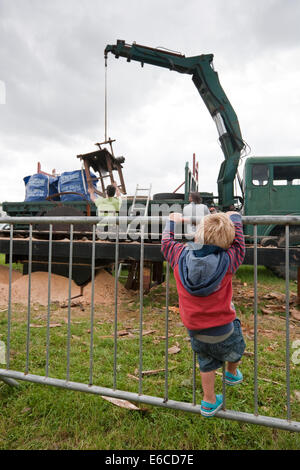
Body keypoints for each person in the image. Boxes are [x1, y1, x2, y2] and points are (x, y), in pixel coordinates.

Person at [161, 210, 246, 417]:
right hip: (224, 329)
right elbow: (240, 246)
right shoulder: (228, 260)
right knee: (238, 347)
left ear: (197, 236)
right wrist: (235, 217)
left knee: (206, 362)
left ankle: (209, 401)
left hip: (195, 330)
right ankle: (232, 373)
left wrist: (171, 222)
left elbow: (165, 243)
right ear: (227, 242)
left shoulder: (179, 256)